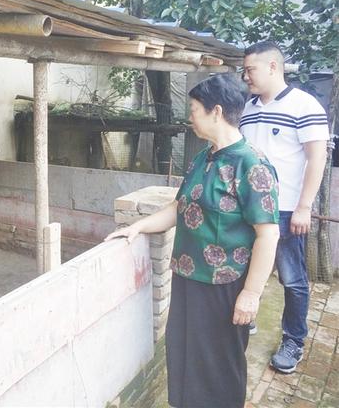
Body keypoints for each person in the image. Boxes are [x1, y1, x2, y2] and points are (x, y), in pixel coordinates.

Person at [105, 74, 280, 408]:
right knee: (186, 354)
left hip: (224, 285)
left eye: (195, 110)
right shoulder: (205, 157)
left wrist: (251, 294)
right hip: (188, 277)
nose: (190, 117)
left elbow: (268, 234)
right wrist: (138, 227)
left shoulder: (251, 165)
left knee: (218, 362)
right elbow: (178, 207)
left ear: (217, 112)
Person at [241, 41, 329, 374]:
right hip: (248, 209)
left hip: (286, 209)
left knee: (292, 279)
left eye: (250, 70)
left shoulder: (304, 105)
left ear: (273, 67)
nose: (246, 76)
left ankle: (294, 340)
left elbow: (316, 158)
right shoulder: (248, 108)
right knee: (247, 267)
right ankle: (247, 318)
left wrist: (304, 206)